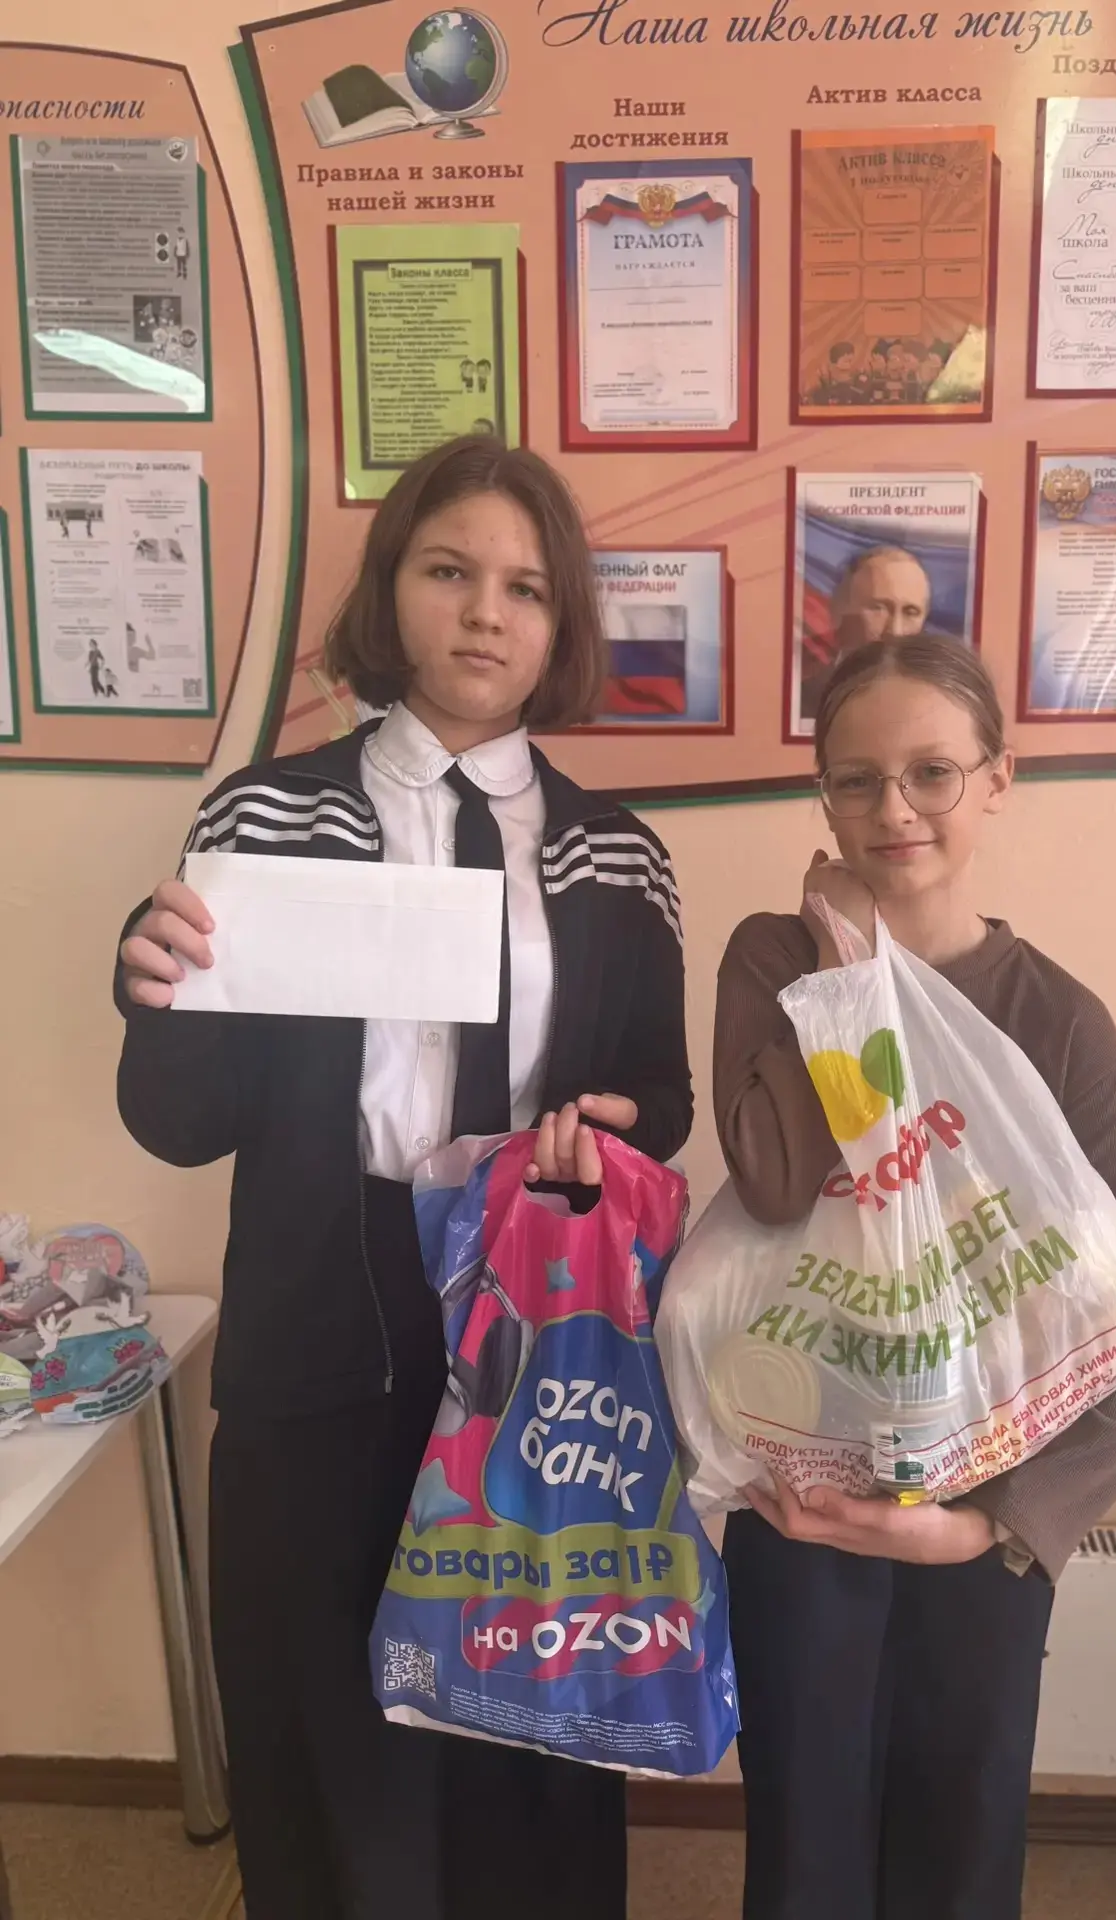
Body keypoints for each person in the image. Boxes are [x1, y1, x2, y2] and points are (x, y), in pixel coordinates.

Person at [113, 434, 692, 1920]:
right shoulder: (263, 819)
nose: (486, 612)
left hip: (533, 1334)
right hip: (323, 1319)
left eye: (526, 588)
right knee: (328, 1724)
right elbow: (181, 1122)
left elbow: (666, 1102)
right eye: (449, 572)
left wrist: (611, 1132)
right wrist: (153, 987)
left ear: (561, 622)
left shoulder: (619, 855)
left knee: (525, 1723)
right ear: (392, 592)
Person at [714, 636, 1116, 1920]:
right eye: (856, 779)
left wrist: (999, 1525)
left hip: (982, 1517)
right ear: (823, 798)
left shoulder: (1057, 1020)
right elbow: (774, 1181)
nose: (894, 810)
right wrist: (848, 970)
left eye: (932, 773)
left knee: (962, 1834)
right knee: (806, 1839)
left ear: (997, 780)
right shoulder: (774, 962)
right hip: (805, 1498)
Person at [798, 545, 932, 722]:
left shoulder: (935, 706)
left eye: (911, 612)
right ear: (839, 610)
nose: (896, 631)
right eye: (878, 608)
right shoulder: (805, 701)